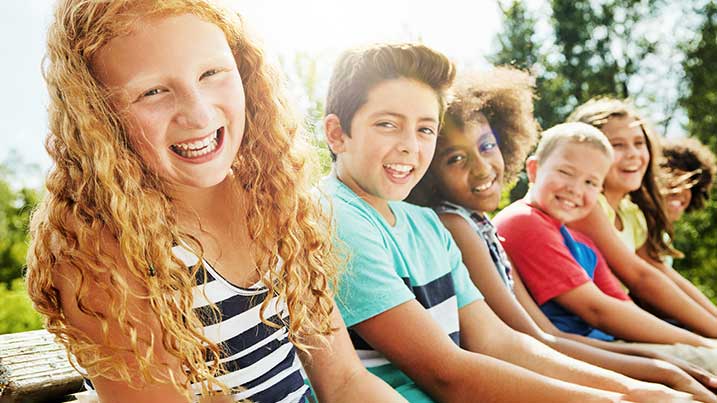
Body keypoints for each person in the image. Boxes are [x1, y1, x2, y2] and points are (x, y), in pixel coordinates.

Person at [25, 1, 406, 402]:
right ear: (98, 115)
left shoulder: (270, 200)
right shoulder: (103, 258)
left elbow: (345, 382)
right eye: (153, 91)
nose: (198, 113)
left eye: (211, 73)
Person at [322, 43, 691, 402]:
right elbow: (444, 373)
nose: (410, 147)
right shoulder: (337, 216)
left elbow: (497, 341)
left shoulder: (427, 224)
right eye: (388, 124)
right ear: (337, 134)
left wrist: (632, 389)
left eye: (425, 129)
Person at [406, 67, 717, 401]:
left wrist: (659, 364)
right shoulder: (463, 225)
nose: (481, 168)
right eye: (456, 158)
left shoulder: (481, 226)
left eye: (487, 146)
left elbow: (543, 333)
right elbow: (529, 339)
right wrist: (657, 369)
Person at [493, 122, 717, 371]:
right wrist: (701, 343)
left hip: (608, 346)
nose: (575, 189)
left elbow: (624, 308)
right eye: (566, 172)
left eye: (590, 182)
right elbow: (597, 310)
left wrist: (702, 342)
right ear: (534, 169)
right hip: (578, 355)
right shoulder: (524, 222)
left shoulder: (582, 242)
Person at [566, 98, 717, 337]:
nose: (633, 154)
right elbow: (640, 278)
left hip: (621, 325)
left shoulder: (630, 213)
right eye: (618, 145)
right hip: (591, 332)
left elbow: (661, 273)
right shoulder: (587, 206)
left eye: (639, 143)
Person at [659, 137, 717, 263]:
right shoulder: (637, 226)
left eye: (690, 184)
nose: (680, 190)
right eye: (675, 179)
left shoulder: (663, 237)